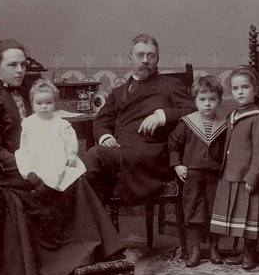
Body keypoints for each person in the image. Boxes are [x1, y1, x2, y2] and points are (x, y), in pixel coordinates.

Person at [0, 39, 125, 275]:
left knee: (75, 177)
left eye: (23, 64)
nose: (20, 70)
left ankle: (91, 252)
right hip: (9, 170)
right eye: (12, 65)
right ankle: (62, 261)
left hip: (42, 163)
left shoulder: (32, 94)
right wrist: (30, 168)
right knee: (51, 184)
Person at [83, 33, 195, 203]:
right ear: (130, 59)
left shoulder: (170, 84)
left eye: (151, 56)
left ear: (157, 59)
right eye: (140, 55)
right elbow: (101, 119)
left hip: (150, 159)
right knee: (94, 180)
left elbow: (193, 111)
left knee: (94, 157)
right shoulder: (118, 92)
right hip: (120, 155)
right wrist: (105, 136)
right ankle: (95, 220)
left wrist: (162, 115)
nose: (145, 60)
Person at [210, 65, 259, 270]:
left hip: (247, 176)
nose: (240, 92)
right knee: (238, 215)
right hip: (231, 173)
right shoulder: (232, 115)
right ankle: (241, 251)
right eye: (236, 88)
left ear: (256, 89)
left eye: (245, 87)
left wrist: (253, 176)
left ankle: (250, 252)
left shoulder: (258, 117)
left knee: (250, 214)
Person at [168, 76, 227, 267]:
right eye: (202, 99)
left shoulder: (225, 124)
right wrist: (177, 165)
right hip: (192, 174)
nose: (207, 104)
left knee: (215, 210)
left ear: (219, 100)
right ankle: (195, 249)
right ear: (195, 101)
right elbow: (174, 145)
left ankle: (214, 247)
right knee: (194, 210)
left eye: (212, 99)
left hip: (216, 175)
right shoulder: (187, 123)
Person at [14, 78, 86, 193]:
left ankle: (49, 188)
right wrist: (24, 152)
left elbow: (70, 140)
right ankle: (39, 184)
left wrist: (72, 154)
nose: (44, 107)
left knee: (60, 172)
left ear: (55, 104)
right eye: (39, 103)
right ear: (32, 104)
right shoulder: (28, 122)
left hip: (55, 155)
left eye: (48, 103)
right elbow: (24, 140)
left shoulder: (60, 123)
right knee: (34, 167)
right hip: (35, 154)